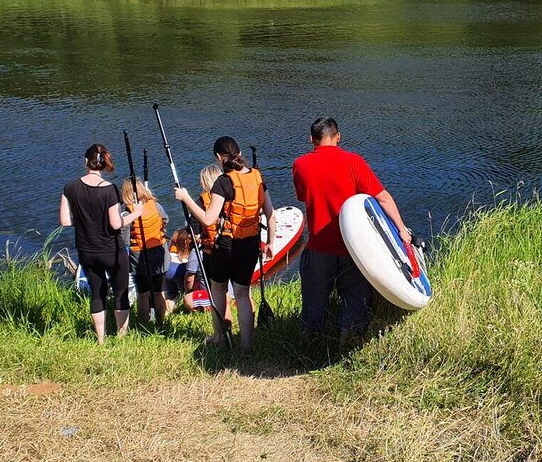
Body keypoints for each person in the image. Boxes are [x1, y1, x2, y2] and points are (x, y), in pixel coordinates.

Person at [292, 117, 411, 342]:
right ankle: (349, 340)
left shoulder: (300, 165)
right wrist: (402, 230)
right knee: (356, 296)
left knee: (314, 300)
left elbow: (302, 196)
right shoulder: (353, 161)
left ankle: (309, 342)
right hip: (353, 246)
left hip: (319, 246)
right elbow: (382, 198)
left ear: (312, 140)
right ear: (338, 137)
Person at [174, 137, 274, 350]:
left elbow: (208, 219)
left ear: (219, 158)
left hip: (227, 246)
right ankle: (247, 344)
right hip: (251, 244)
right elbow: (270, 215)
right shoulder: (257, 177)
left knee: (218, 289)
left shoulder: (223, 182)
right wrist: (271, 242)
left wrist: (186, 198)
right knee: (243, 294)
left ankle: (220, 337)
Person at [59, 144, 144, 345]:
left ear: (85, 161)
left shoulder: (70, 187)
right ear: (104, 164)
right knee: (121, 291)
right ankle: (121, 338)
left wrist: (83, 220)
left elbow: (64, 221)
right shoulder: (110, 190)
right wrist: (135, 214)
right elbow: (116, 223)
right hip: (111, 250)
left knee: (97, 293)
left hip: (86, 250)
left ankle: (101, 340)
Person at [121, 178, 169, 326]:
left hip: (138, 257)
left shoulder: (126, 211)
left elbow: (124, 239)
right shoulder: (155, 205)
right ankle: (161, 324)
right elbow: (165, 220)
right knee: (158, 291)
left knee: (142, 293)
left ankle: (144, 324)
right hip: (160, 254)